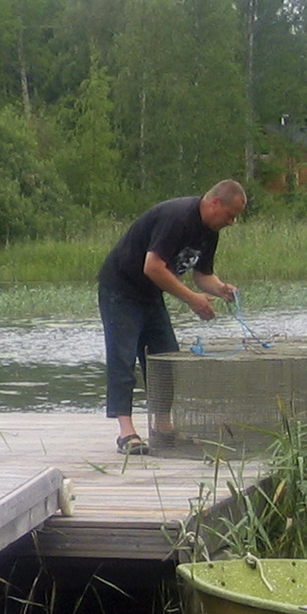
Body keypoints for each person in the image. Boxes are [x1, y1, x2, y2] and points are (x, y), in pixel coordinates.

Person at [98, 180, 246, 455]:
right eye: (231, 215)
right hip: (121, 289)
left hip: (151, 293)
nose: (233, 222)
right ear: (215, 203)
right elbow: (152, 266)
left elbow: (202, 275)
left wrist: (221, 288)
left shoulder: (210, 232)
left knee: (165, 358)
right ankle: (126, 434)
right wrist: (192, 300)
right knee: (123, 357)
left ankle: (163, 429)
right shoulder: (177, 218)